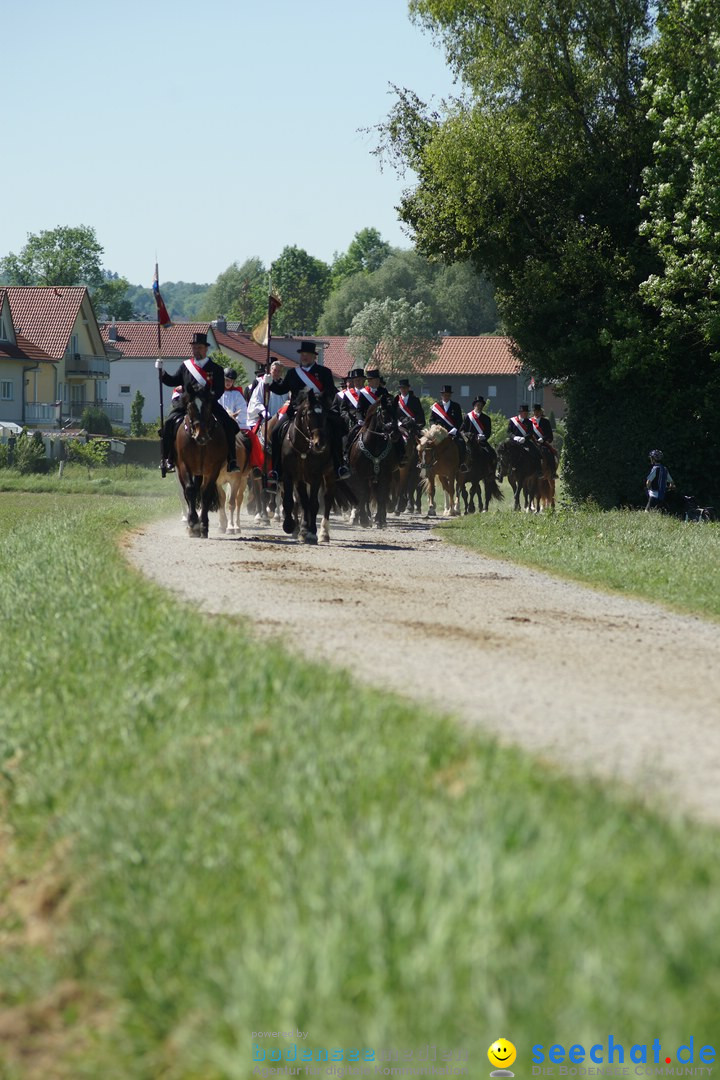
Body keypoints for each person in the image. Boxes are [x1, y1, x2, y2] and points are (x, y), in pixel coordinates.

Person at [265, 340, 351, 482]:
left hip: (319, 410)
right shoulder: (293, 373)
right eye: (303, 354)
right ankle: (276, 469)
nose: (304, 357)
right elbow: (282, 389)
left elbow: (330, 391)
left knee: (337, 429)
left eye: (308, 355)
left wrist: (317, 398)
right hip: (296, 410)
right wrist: (271, 383)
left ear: (314, 357)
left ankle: (339, 466)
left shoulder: (324, 372)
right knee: (275, 432)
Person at [156, 331, 240, 474]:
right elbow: (173, 381)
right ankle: (167, 459)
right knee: (169, 424)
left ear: (206, 349)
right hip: (188, 406)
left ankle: (231, 460)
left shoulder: (216, 369)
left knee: (230, 425)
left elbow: (219, 389)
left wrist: (209, 399)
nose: (197, 350)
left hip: (209, 405)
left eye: (199, 347)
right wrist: (162, 372)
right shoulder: (185, 366)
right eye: (194, 348)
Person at [430, 385, 468, 471]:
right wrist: (433, 426)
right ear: (441, 395)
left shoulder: (456, 406)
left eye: (448, 395)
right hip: (439, 433)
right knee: (427, 444)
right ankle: (427, 464)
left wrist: (454, 430)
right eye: (444, 395)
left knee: (461, 443)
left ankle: (461, 464)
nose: (446, 397)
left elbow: (459, 421)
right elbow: (431, 419)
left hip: (452, 432)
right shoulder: (436, 406)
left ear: (450, 396)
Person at [507, 403, 542, 477]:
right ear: (520, 413)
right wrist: (514, 437)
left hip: (525, 442)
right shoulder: (512, 420)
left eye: (527, 413)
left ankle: (539, 471)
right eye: (524, 413)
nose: (526, 414)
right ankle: (502, 472)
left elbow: (530, 432)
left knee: (536, 452)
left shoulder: (529, 422)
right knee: (503, 452)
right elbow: (509, 432)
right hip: (514, 442)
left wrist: (524, 438)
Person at [530, 402, 557, 475]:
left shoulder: (546, 421)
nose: (536, 413)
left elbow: (549, 434)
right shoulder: (529, 421)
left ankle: (553, 472)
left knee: (549, 453)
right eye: (535, 411)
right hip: (532, 443)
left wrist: (543, 439)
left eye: (538, 411)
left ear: (541, 412)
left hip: (543, 443)